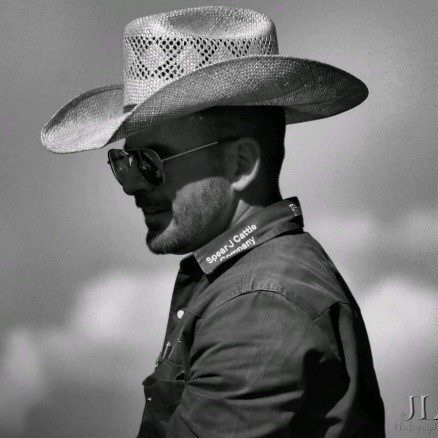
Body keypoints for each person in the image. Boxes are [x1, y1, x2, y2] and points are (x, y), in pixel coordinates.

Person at [41, 5, 385, 437]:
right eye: (123, 163)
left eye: (149, 161)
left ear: (240, 165)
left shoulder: (259, 308)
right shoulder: (240, 283)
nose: (132, 187)